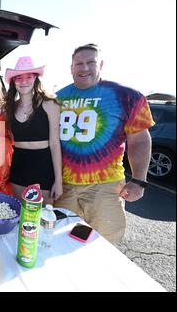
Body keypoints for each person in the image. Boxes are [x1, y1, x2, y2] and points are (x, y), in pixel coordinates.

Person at [54, 43, 155, 243]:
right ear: (71, 67)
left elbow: (140, 139)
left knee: (103, 245)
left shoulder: (126, 96)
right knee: (62, 241)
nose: (84, 68)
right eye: (78, 63)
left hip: (104, 186)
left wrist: (139, 180)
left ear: (100, 64)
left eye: (90, 62)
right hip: (63, 186)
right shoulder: (57, 98)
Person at [3, 56, 63, 205]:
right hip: (18, 166)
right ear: (13, 82)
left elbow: (55, 145)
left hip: (43, 166)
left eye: (29, 76)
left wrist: (58, 180)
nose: (24, 81)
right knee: (18, 213)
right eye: (19, 78)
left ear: (36, 78)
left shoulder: (50, 104)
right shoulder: (10, 108)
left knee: (41, 217)